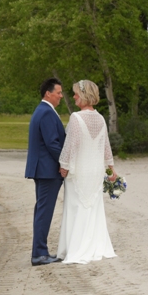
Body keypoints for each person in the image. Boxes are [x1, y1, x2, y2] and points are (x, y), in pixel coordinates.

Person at [57, 79, 117, 264]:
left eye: (76, 93)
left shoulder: (76, 117)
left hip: (79, 171)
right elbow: (106, 146)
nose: (74, 96)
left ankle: (75, 248)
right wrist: (110, 169)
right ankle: (95, 244)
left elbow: (71, 145)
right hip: (95, 171)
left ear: (84, 95)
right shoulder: (100, 118)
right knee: (93, 208)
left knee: (75, 207)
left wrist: (64, 165)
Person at [25, 78, 66, 266]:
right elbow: (52, 143)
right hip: (48, 171)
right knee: (44, 212)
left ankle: (39, 252)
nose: (61, 96)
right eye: (58, 92)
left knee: (41, 211)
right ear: (48, 93)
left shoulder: (41, 110)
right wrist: (64, 163)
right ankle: (40, 254)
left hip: (42, 169)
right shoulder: (47, 112)